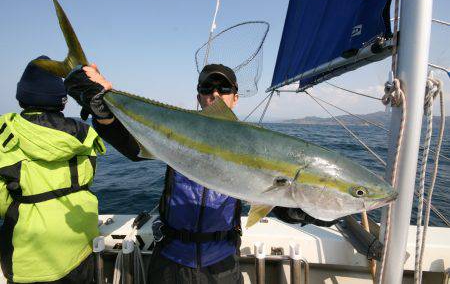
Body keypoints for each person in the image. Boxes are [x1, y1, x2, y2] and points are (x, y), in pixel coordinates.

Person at [64, 63, 337, 284]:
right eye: (207, 88)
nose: (215, 94)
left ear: (235, 97)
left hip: (222, 264)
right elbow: (134, 148)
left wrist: (308, 209)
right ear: (198, 97)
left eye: (224, 88)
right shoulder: (177, 135)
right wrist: (104, 113)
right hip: (170, 259)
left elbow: (274, 196)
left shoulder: (262, 148)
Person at [0, 56, 105, 284]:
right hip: (81, 248)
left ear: (21, 97)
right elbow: (88, 177)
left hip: (29, 262)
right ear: (63, 101)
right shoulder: (84, 135)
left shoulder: (3, 134)